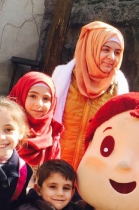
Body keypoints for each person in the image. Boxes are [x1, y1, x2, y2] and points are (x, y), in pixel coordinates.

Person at [51, 21, 129, 170]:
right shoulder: (61, 78)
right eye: (105, 49)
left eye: (117, 52)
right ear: (90, 48)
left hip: (92, 173)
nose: (112, 57)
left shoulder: (119, 88)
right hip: (57, 170)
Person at [8, 71, 63, 170]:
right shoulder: (0, 127)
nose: (39, 104)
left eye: (46, 98)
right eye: (33, 96)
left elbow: (55, 174)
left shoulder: (52, 136)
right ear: (20, 95)